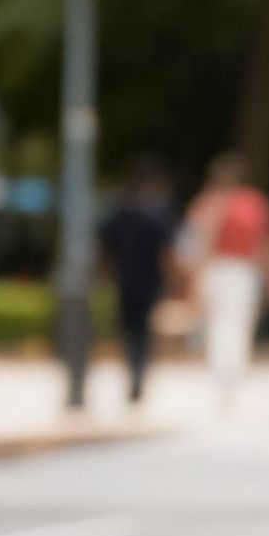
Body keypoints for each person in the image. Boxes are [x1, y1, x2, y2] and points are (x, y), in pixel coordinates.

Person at [180, 153, 269, 413]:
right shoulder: (253, 204)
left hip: (217, 269)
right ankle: (229, 376)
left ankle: (221, 375)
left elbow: (195, 245)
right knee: (235, 325)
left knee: (218, 325)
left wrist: (193, 277)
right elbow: (268, 245)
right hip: (239, 270)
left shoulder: (207, 204)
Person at [98, 159, 176, 403]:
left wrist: (106, 275)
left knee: (127, 331)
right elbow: (166, 253)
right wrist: (173, 280)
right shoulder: (157, 215)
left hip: (125, 281)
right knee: (142, 332)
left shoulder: (120, 211)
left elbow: (106, 249)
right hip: (148, 282)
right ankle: (137, 374)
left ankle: (133, 371)